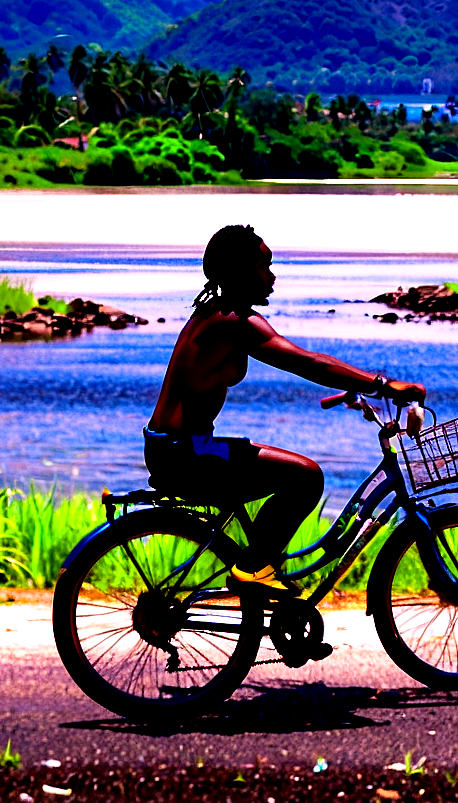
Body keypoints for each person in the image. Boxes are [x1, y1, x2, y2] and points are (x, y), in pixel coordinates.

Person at [145, 224, 425, 595]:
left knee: (285, 475)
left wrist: (352, 389)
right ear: (242, 273)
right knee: (305, 477)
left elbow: (310, 363)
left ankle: (258, 568)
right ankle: (254, 569)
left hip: (177, 448)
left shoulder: (217, 313)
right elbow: (309, 363)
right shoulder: (233, 321)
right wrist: (381, 384)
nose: (273, 275)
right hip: (184, 454)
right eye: (266, 266)